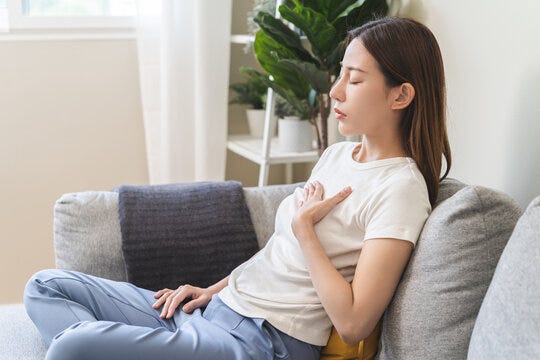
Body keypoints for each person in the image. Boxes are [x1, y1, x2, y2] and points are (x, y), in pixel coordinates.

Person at [24, 17, 451, 360]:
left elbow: (355, 322)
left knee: (73, 346)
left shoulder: (400, 190)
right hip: (215, 313)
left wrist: (306, 233)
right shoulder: (338, 156)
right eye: (340, 74)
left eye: (354, 80)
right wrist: (211, 290)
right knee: (45, 286)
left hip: (260, 343)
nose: (335, 90)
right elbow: (278, 256)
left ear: (401, 96)